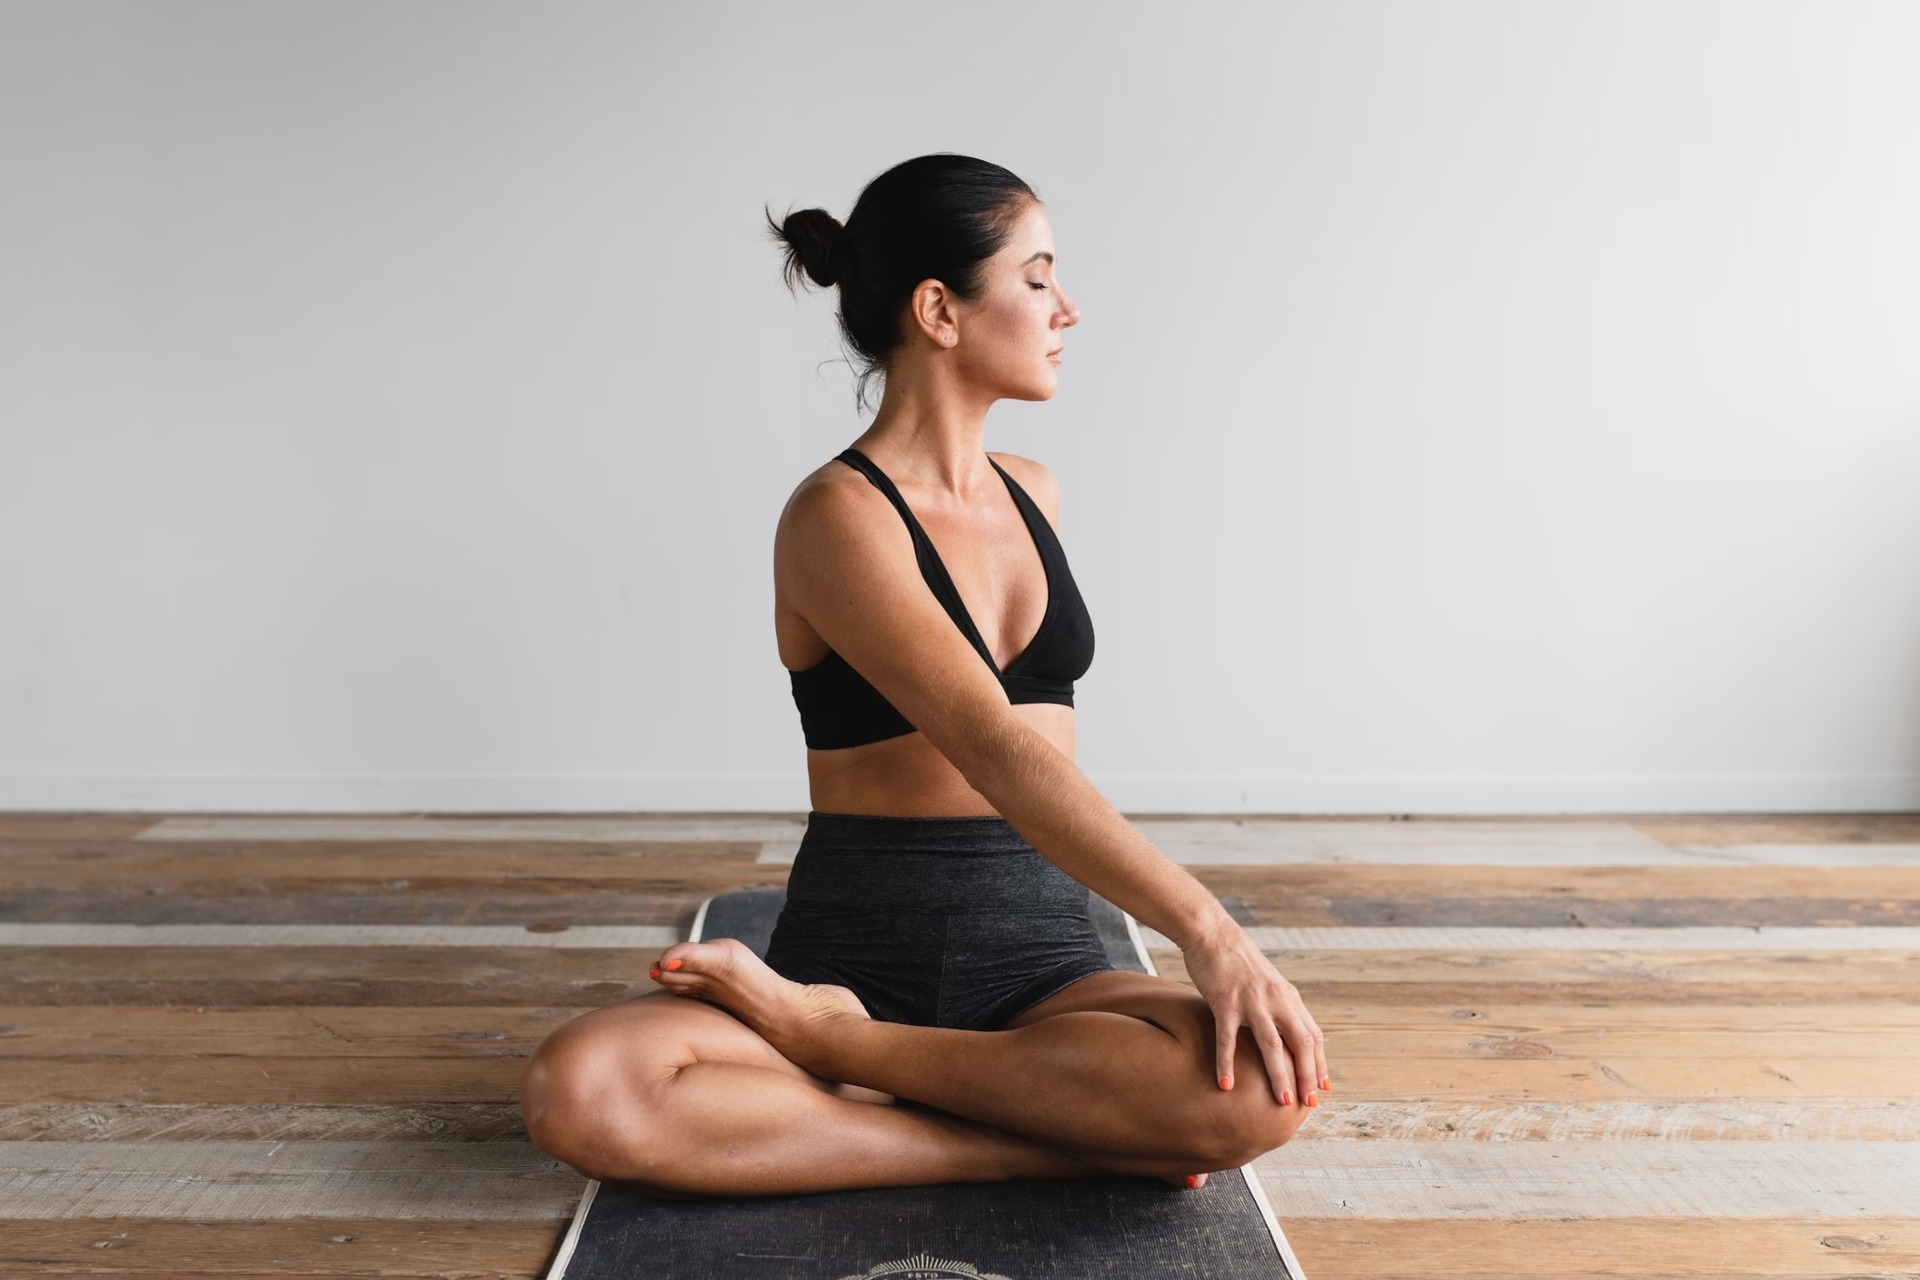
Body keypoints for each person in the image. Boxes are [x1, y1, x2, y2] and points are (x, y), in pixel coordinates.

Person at [519, 154, 1327, 1199]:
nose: (1066, 308)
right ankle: (1014, 1123)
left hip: (1043, 965)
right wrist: (1208, 929)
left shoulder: (1036, 493)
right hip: (852, 956)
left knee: (1266, 1084)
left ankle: (860, 1065)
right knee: (582, 1088)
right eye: (1037, 278)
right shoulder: (836, 516)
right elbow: (993, 744)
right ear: (939, 308)